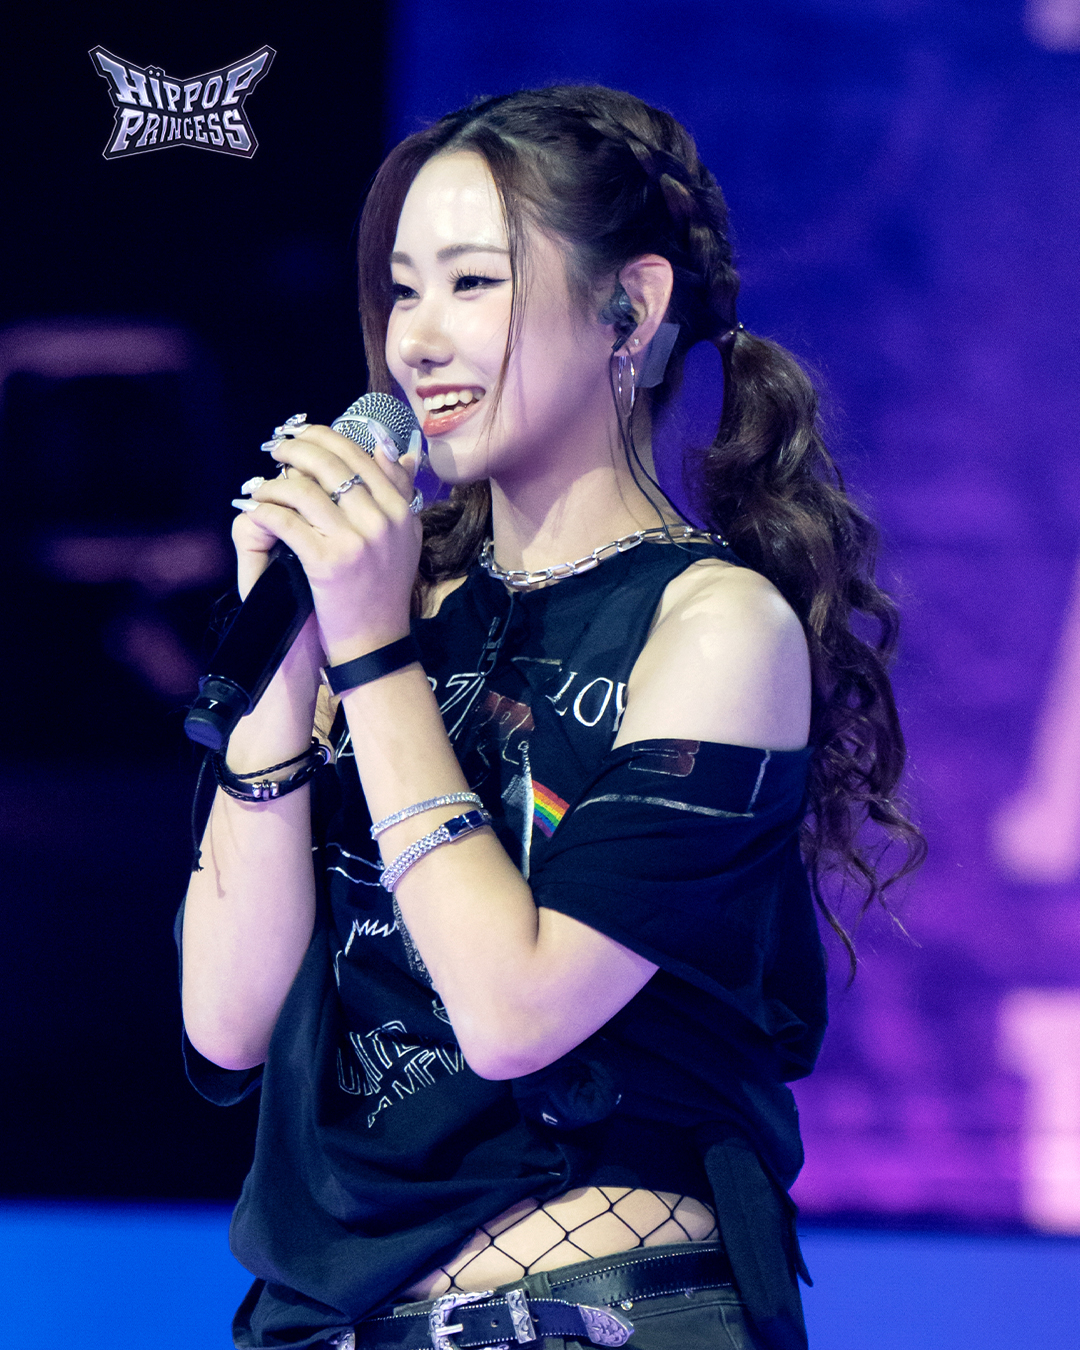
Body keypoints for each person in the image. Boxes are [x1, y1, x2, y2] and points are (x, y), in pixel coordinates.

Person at [180, 86, 922, 1350]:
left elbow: (514, 1011)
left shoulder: (712, 628)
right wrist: (288, 664)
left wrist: (372, 652)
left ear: (629, 307)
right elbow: (228, 1023)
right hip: (326, 1319)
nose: (417, 340)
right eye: (401, 292)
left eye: (472, 283)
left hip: (591, 1315)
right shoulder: (381, 606)